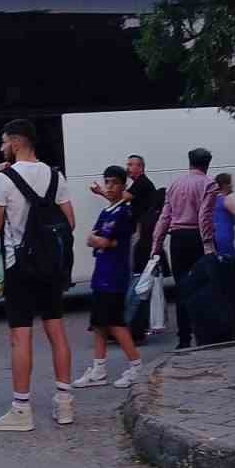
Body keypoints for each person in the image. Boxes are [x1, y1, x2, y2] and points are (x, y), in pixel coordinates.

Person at [0, 118, 76, 431]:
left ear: (17, 142)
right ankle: (65, 404)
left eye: (4, 141)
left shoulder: (5, 178)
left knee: (20, 336)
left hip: (19, 266)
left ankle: (21, 410)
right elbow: (70, 222)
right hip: (51, 266)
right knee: (57, 331)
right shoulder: (55, 175)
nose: (2, 147)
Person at [73, 166, 144, 390]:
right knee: (98, 324)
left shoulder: (124, 213)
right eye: (107, 182)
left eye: (114, 183)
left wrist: (103, 241)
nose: (109, 187)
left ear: (124, 185)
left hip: (114, 275)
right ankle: (99, 368)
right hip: (101, 273)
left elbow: (103, 241)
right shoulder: (106, 212)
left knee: (115, 323)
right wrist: (101, 241)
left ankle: (136, 366)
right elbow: (91, 239)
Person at [151, 147, 218, 349]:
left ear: (189, 162)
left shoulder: (174, 184)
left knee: (182, 288)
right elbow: (204, 216)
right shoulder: (209, 184)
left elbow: (165, 216)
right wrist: (208, 244)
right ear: (207, 164)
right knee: (202, 287)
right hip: (196, 238)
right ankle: (203, 334)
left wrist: (156, 244)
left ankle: (184, 339)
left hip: (177, 240)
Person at [120, 154, 162, 333]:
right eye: (127, 164)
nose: (128, 168)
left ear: (140, 167)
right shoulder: (140, 184)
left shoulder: (141, 183)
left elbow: (121, 198)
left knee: (140, 276)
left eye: (131, 165)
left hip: (142, 235)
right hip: (143, 234)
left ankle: (138, 320)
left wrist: (101, 191)